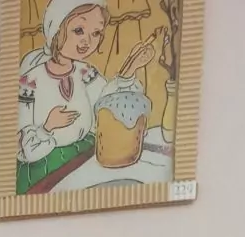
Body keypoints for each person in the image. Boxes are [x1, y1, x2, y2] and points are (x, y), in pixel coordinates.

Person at [17, 0, 159, 193]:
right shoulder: (30, 82)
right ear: (56, 30)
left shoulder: (85, 73)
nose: (88, 41)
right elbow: (22, 148)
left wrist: (129, 70)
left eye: (96, 33)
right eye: (79, 31)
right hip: (43, 167)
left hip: (82, 154)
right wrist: (47, 127)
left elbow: (107, 102)